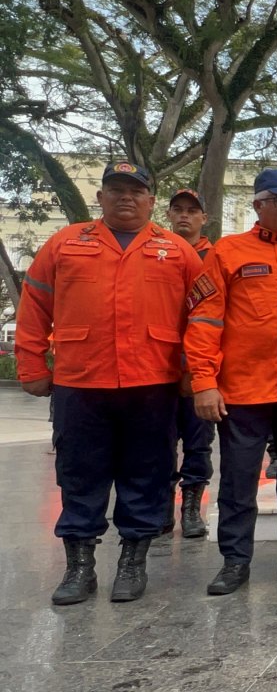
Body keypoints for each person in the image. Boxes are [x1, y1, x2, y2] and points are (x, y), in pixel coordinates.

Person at [17, 161, 201, 605]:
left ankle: (132, 563)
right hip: (82, 381)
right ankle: (80, 568)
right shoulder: (65, 243)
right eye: (116, 190)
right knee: (79, 472)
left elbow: (204, 317)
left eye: (136, 191)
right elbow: (35, 305)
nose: (126, 198)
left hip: (152, 382)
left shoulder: (178, 251)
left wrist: (195, 371)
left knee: (148, 473)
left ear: (151, 201)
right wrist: (31, 365)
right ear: (100, 197)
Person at [187, 168, 277, 595]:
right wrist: (203, 381)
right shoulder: (227, 253)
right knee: (238, 479)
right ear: (258, 205)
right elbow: (205, 320)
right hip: (244, 391)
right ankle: (235, 561)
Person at [164, 188, 215, 537]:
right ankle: (161, 504)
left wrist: (197, 368)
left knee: (198, 441)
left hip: (200, 367)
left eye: (192, 211)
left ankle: (192, 506)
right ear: (168, 214)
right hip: (158, 366)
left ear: (203, 218)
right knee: (159, 441)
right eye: (178, 209)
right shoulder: (156, 252)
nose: (185, 215)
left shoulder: (215, 257)